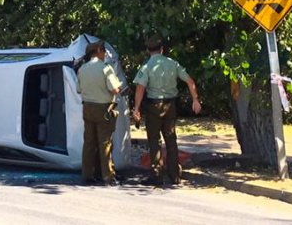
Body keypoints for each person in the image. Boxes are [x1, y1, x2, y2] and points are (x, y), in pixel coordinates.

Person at [132, 34, 201, 187]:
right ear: (162, 49)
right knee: (171, 139)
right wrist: (195, 100)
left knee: (154, 140)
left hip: (153, 106)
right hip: (171, 106)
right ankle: (175, 175)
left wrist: (136, 108)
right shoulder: (173, 64)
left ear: (148, 50)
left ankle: (157, 175)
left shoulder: (146, 67)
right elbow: (190, 81)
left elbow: (140, 88)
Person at [76, 41, 123, 186]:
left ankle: (87, 175)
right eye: (103, 51)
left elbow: (79, 90)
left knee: (89, 143)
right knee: (105, 143)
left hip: (88, 108)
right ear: (98, 51)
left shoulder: (82, 69)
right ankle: (108, 177)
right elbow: (115, 89)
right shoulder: (105, 68)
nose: (105, 54)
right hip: (103, 109)